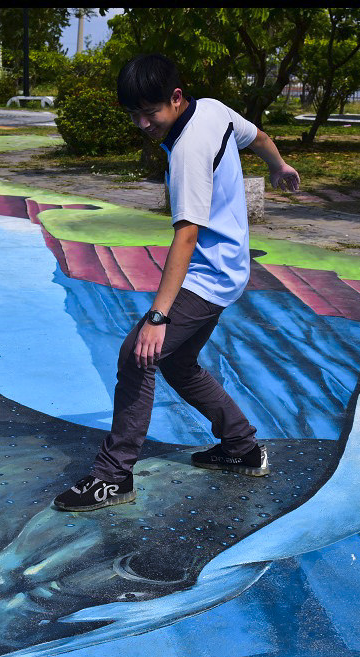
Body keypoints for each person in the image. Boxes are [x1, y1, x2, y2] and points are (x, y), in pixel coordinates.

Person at [53, 54, 301, 512]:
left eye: (151, 112)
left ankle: (113, 476)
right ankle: (241, 447)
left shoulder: (187, 150)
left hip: (209, 273)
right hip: (228, 265)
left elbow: (186, 235)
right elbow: (260, 137)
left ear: (176, 98)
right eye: (134, 115)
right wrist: (279, 166)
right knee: (178, 363)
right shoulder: (212, 109)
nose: (144, 123)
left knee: (139, 354)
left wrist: (157, 316)